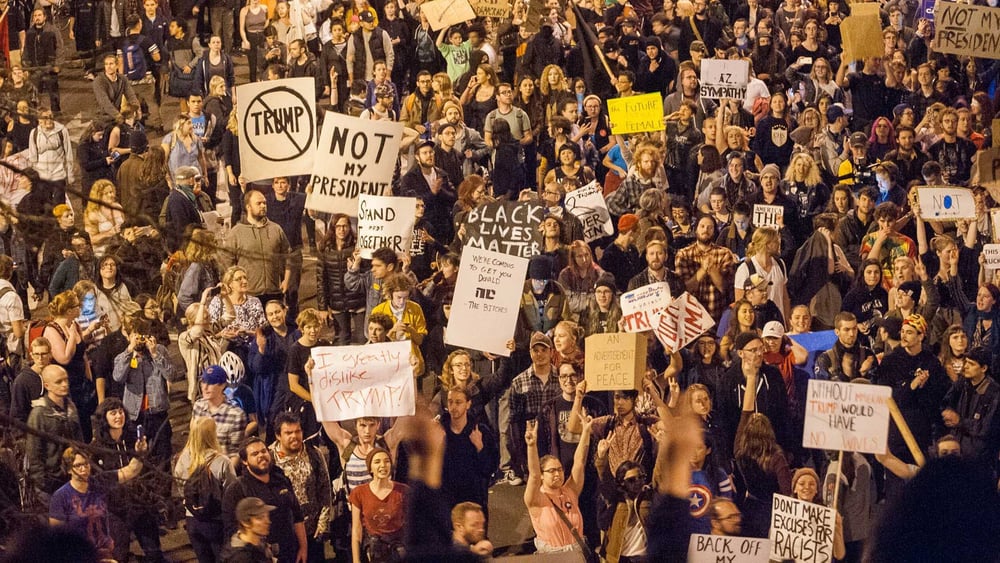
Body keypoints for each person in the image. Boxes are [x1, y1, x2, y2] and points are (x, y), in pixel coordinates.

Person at [875, 314, 949, 499]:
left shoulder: (931, 362)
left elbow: (939, 396)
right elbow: (886, 396)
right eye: (903, 332)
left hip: (923, 435)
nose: (904, 336)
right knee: (896, 491)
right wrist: (912, 386)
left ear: (921, 336)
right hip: (898, 434)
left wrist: (924, 388)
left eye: (910, 332)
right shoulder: (891, 361)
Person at [48, 443, 146, 561]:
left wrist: (140, 453)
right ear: (69, 469)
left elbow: (130, 471)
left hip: (104, 552)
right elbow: (58, 536)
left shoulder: (98, 483)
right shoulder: (61, 497)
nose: (83, 469)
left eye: (86, 464)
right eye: (78, 465)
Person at [222, 437, 308, 563]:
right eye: (255, 454)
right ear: (245, 461)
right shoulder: (237, 489)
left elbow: (297, 515)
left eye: (264, 451)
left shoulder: (281, 478)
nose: (261, 455)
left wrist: (303, 547)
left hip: (290, 552)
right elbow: (231, 528)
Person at [524, 408, 594, 555]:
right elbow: (534, 475)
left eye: (560, 469)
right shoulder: (536, 499)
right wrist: (531, 446)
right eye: (552, 471)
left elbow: (579, 462)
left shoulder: (570, 491)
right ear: (542, 475)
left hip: (576, 555)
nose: (557, 474)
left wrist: (586, 432)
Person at [268, 411, 332, 562]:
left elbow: (325, 489)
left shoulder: (314, 453)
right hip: (284, 534)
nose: (294, 436)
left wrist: (322, 524)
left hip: (312, 531)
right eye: (288, 433)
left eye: (297, 431)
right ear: (278, 435)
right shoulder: (268, 458)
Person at [175, 416, 239, 563]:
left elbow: (181, 488)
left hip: (193, 521)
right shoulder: (222, 461)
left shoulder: (182, 458)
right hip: (216, 521)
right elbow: (232, 493)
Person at [111, 316, 172, 465]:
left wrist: (155, 354)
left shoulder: (160, 351)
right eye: (135, 336)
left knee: (163, 457)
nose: (139, 340)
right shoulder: (123, 356)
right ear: (129, 336)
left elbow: (171, 374)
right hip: (134, 415)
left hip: (158, 412)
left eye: (142, 336)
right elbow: (118, 377)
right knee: (137, 458)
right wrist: (130, 351)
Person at [26, 365, 84, 499]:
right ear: (47, 385)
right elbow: (34, 452)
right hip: (51, 482)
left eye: (66, 380)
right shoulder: (39, 413)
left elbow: (79, 441)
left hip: (72, 476)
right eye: (59, 382)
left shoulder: (70, 406)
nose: (64, 384)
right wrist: (43, 483)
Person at [221, 190, 292, 299]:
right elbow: (227, 265)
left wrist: (286, 281)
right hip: (248, 295)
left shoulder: (276, 229)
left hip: (274, 293)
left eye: (264, 203)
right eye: (258, 203)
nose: (263, 206)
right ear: (248, 207)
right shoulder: (236, 232)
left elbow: (288, 257)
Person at [941, 347, 1000, 464]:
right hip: (956, 450)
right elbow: (946, 402)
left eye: (971, 364)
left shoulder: (994, 393)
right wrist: (947, 413)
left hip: (979, 458)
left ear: (984, 368)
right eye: (966, 362)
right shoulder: (962, 383)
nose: (966, 366)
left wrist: (960, 421)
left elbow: (987, 429)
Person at [193, 365, 248, 459]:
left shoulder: (236, 415)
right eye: (203, 382)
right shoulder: (198, 406)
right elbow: (193, 440)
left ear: (222, 385)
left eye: (211, 383)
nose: (205, 387)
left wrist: (223, 472)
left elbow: (236, 454)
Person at [23, 9, 61, 113]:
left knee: (53, 95)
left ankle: (56, 114)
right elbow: (26, 49)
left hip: (49, 68)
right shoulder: (30, 32)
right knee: (35, 95)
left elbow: (59, 48)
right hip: (35, 69)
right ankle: (36, 115)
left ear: (44, 17)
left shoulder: (52, 30)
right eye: (35, 16)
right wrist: (26, 64)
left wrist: (57, 64)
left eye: (39, 15)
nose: (37, 17)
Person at [222, 497, 278, 562]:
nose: (268, 521)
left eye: (267, 516)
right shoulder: (241, 558)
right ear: (245, 523)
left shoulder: (258, 542)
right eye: (260, 518)